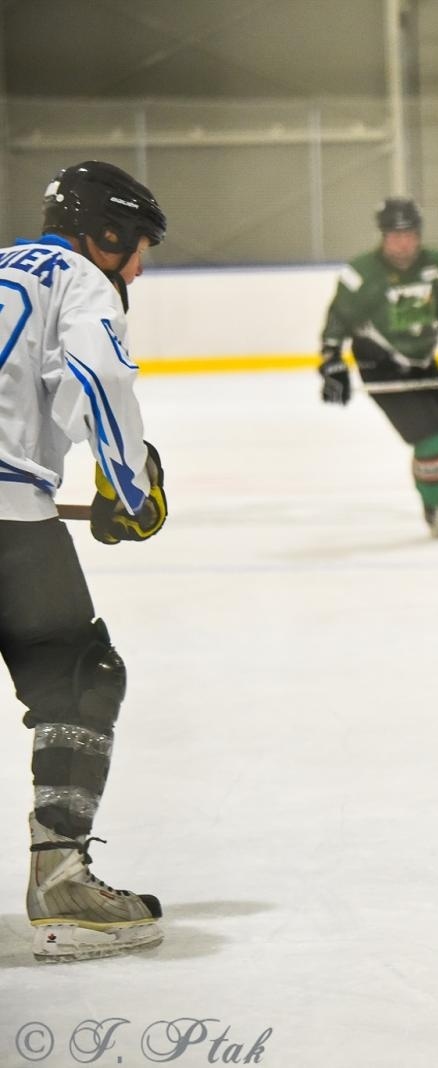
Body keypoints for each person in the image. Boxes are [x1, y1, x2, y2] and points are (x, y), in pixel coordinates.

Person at [0, 161, 169, 961]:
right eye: (136, 247)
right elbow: (97, 378)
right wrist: (129, 485)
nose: (137, 267)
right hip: (7, 523)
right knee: (76, 674)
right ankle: (60, 878)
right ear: (104, 232)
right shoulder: (76, 279)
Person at [318, 197, 438, 538]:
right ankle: (437, 512)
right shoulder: (361, 274)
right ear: (383, 236)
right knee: (430, 437)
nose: (404, 242)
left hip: (422, 361)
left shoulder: (437, 266)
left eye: (410, 234)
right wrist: (331, 363)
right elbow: (338, 320)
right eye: (395, 235)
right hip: (380, 363)